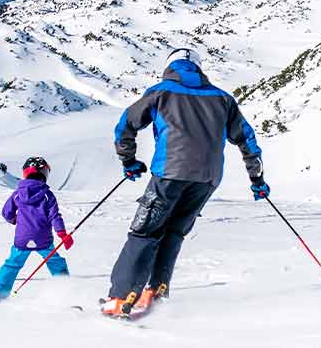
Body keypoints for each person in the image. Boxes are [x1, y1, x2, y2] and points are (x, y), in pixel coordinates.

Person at [102, 48, 270, 318]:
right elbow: (246, 139)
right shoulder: (222, 98)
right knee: (173, 233)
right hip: (207, 179)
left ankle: (120, 300)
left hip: (170, 173)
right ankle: (153, 294)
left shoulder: (161, 92)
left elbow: (126, 126)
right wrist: (257, 178)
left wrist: (128, 161)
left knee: (145, 232)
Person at [0, 157, 74, 301]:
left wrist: (13, 219)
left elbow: (6, 212)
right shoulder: (47, 195)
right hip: (43, 240)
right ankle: (64, 290)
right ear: (43, 173)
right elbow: (55, 216)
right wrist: (62, 234)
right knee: (55, 261)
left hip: (22, 239)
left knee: (12, 264)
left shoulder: (17, 194)